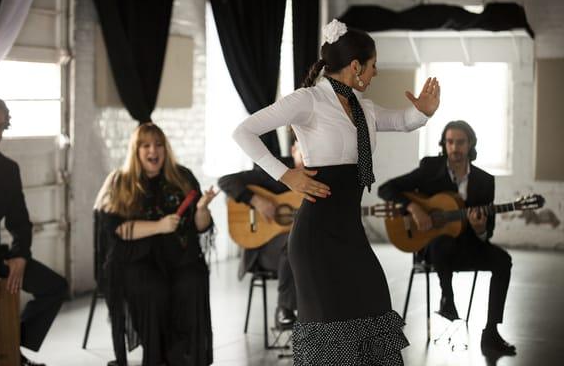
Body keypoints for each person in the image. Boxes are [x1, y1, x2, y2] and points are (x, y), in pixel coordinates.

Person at [232, 19, 440, 364]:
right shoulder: (308, 100)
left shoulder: (364, 108)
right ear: (356, 66)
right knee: (332, 337)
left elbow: (402, 121)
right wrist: (286, 175)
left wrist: (423, 112)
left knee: (374, 309)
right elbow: (244, 132)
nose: (376, 73)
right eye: (373, 66)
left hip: (350, 236)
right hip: (315, 241)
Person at [378, 120, 516, 355]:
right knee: (443, 241)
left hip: (469, 248)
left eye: (460, 142)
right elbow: (386, 189)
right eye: (449, 142)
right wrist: (414, 207)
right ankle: (447, 299)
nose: (454, 148)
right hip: (434, 250)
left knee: (503, 260)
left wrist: (479, 228)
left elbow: (487, 232)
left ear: (470, 143)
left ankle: (491, 333)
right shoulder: (431, 168)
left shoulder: (484, 181)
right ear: (444, 144)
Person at [94, 122, 217, 366]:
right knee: (154, 290)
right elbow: (117, 229)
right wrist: (159, 226)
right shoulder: (120, 181)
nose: (154, 151)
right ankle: (158, 357)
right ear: (136, 150)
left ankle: (186, 357)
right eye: (146, 145)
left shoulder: (182, 177)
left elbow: (200, 226)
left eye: (159, 145)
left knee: (192, 282)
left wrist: (202, 209)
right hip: (136, 260)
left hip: (179, 257)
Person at [0, 96, 68, 366]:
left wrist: (20, 255)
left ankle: (10, 346)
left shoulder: (9, 169)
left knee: (55, 287)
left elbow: (20, 220)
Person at [218, 138, 302, 329]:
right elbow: (226, 181)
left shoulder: (319, 179)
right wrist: (256, 201)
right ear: (293, 149)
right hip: (261, 249)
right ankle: (284, 308)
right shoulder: (276, 170)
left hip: (304, 253)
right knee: (295, 242)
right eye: (302, 148)